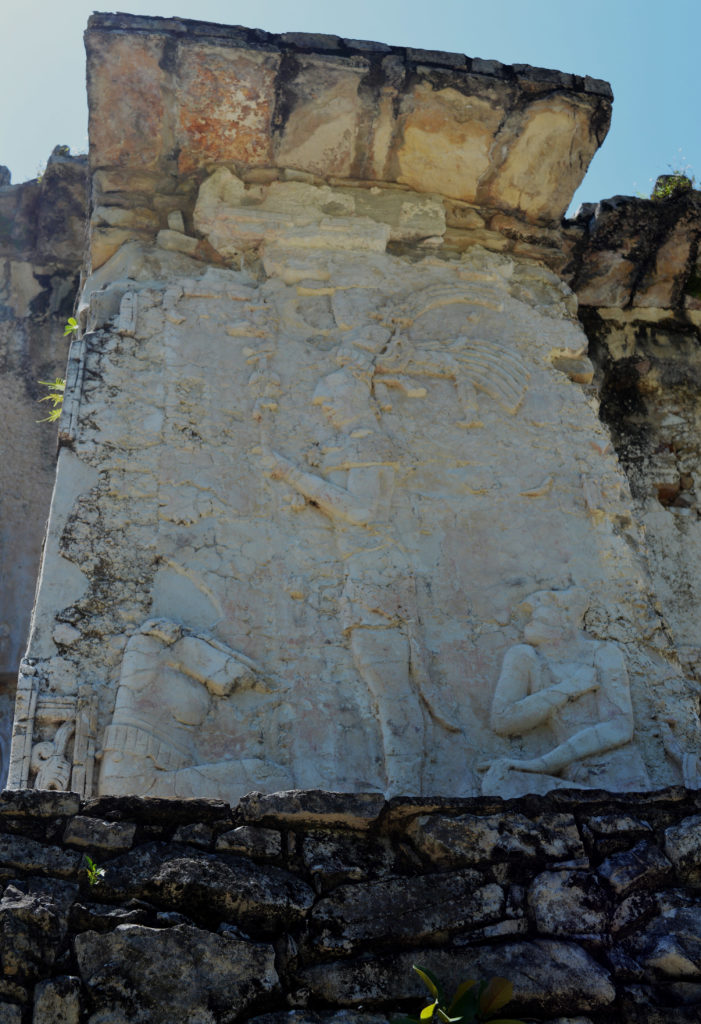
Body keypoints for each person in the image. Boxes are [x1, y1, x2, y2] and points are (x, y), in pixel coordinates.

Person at [98, 618, 293, 801]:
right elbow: (235, 675)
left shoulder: (164, 652)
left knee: (272, 779)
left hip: (148, 778)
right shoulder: (153, 645)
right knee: (274, 780)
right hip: (139, 783)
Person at [481, 588, 649, 796]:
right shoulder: (525, 657)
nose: (529, 621)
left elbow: (620, 727)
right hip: (571, 774)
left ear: (565, 621)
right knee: (498, 782)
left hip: (617, 772)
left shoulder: (603, 653)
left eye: (539, 615)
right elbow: (502, 720)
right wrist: (570, 688)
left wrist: (542, 764)